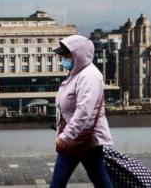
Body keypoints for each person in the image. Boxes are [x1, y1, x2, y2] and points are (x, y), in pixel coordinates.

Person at [50, 35, 114, 188]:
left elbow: (84, 111)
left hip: (83, 137)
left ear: (78, 55)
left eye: (67, 56)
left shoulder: (89, 76)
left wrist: (66, 136)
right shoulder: (77, 73)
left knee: (58, 182)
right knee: (99, 179)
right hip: (80, 137)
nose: (63, 60)